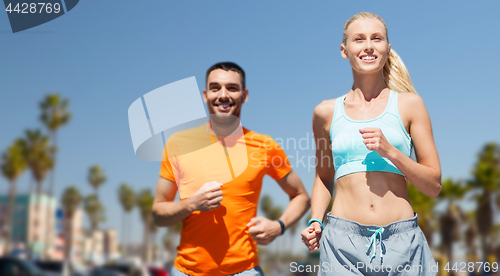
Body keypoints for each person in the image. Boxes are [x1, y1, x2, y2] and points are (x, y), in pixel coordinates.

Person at [300, 12, 441, 276]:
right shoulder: (325, 112)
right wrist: (316, 220)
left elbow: (433, 185)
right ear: (345, 50)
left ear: (387, 48)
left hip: (404, 245)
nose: (368, 46)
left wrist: (390, 151)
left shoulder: (410, 105)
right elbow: (323, 176)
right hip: (342, 246)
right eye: (359, 39)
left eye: (377, 38)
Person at [152, 62, 310, 276]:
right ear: (205, 95)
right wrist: (191, 204)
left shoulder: (264, 145)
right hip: (187, 271)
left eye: (232, 88)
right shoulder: (178, 143)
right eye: (215, 88)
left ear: (244, 95)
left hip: (244, 271)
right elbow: (159, 213)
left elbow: (301, 196)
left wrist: (278, 226)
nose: (223, 95)